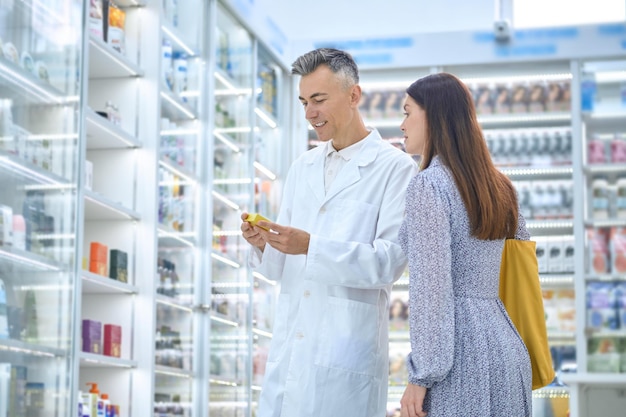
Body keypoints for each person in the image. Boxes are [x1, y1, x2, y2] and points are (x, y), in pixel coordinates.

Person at [240, 48, 418, 417]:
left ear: (354, 95)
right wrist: (265, 245)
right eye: (304, 102)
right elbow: (280, 269)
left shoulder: (395, 169)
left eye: (319, 100)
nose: (310, 114)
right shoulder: (302, 167)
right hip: (291, 353)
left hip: (346, 356)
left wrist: (310, 246)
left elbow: (389, 262)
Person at [397, 73, 532, 417]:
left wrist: (421, 375)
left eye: (407, 112)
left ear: (434, 115)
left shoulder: (428, 186)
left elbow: (432, 289)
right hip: (506, 347)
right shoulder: (500, 187)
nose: (402, 124)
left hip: (458, 356)